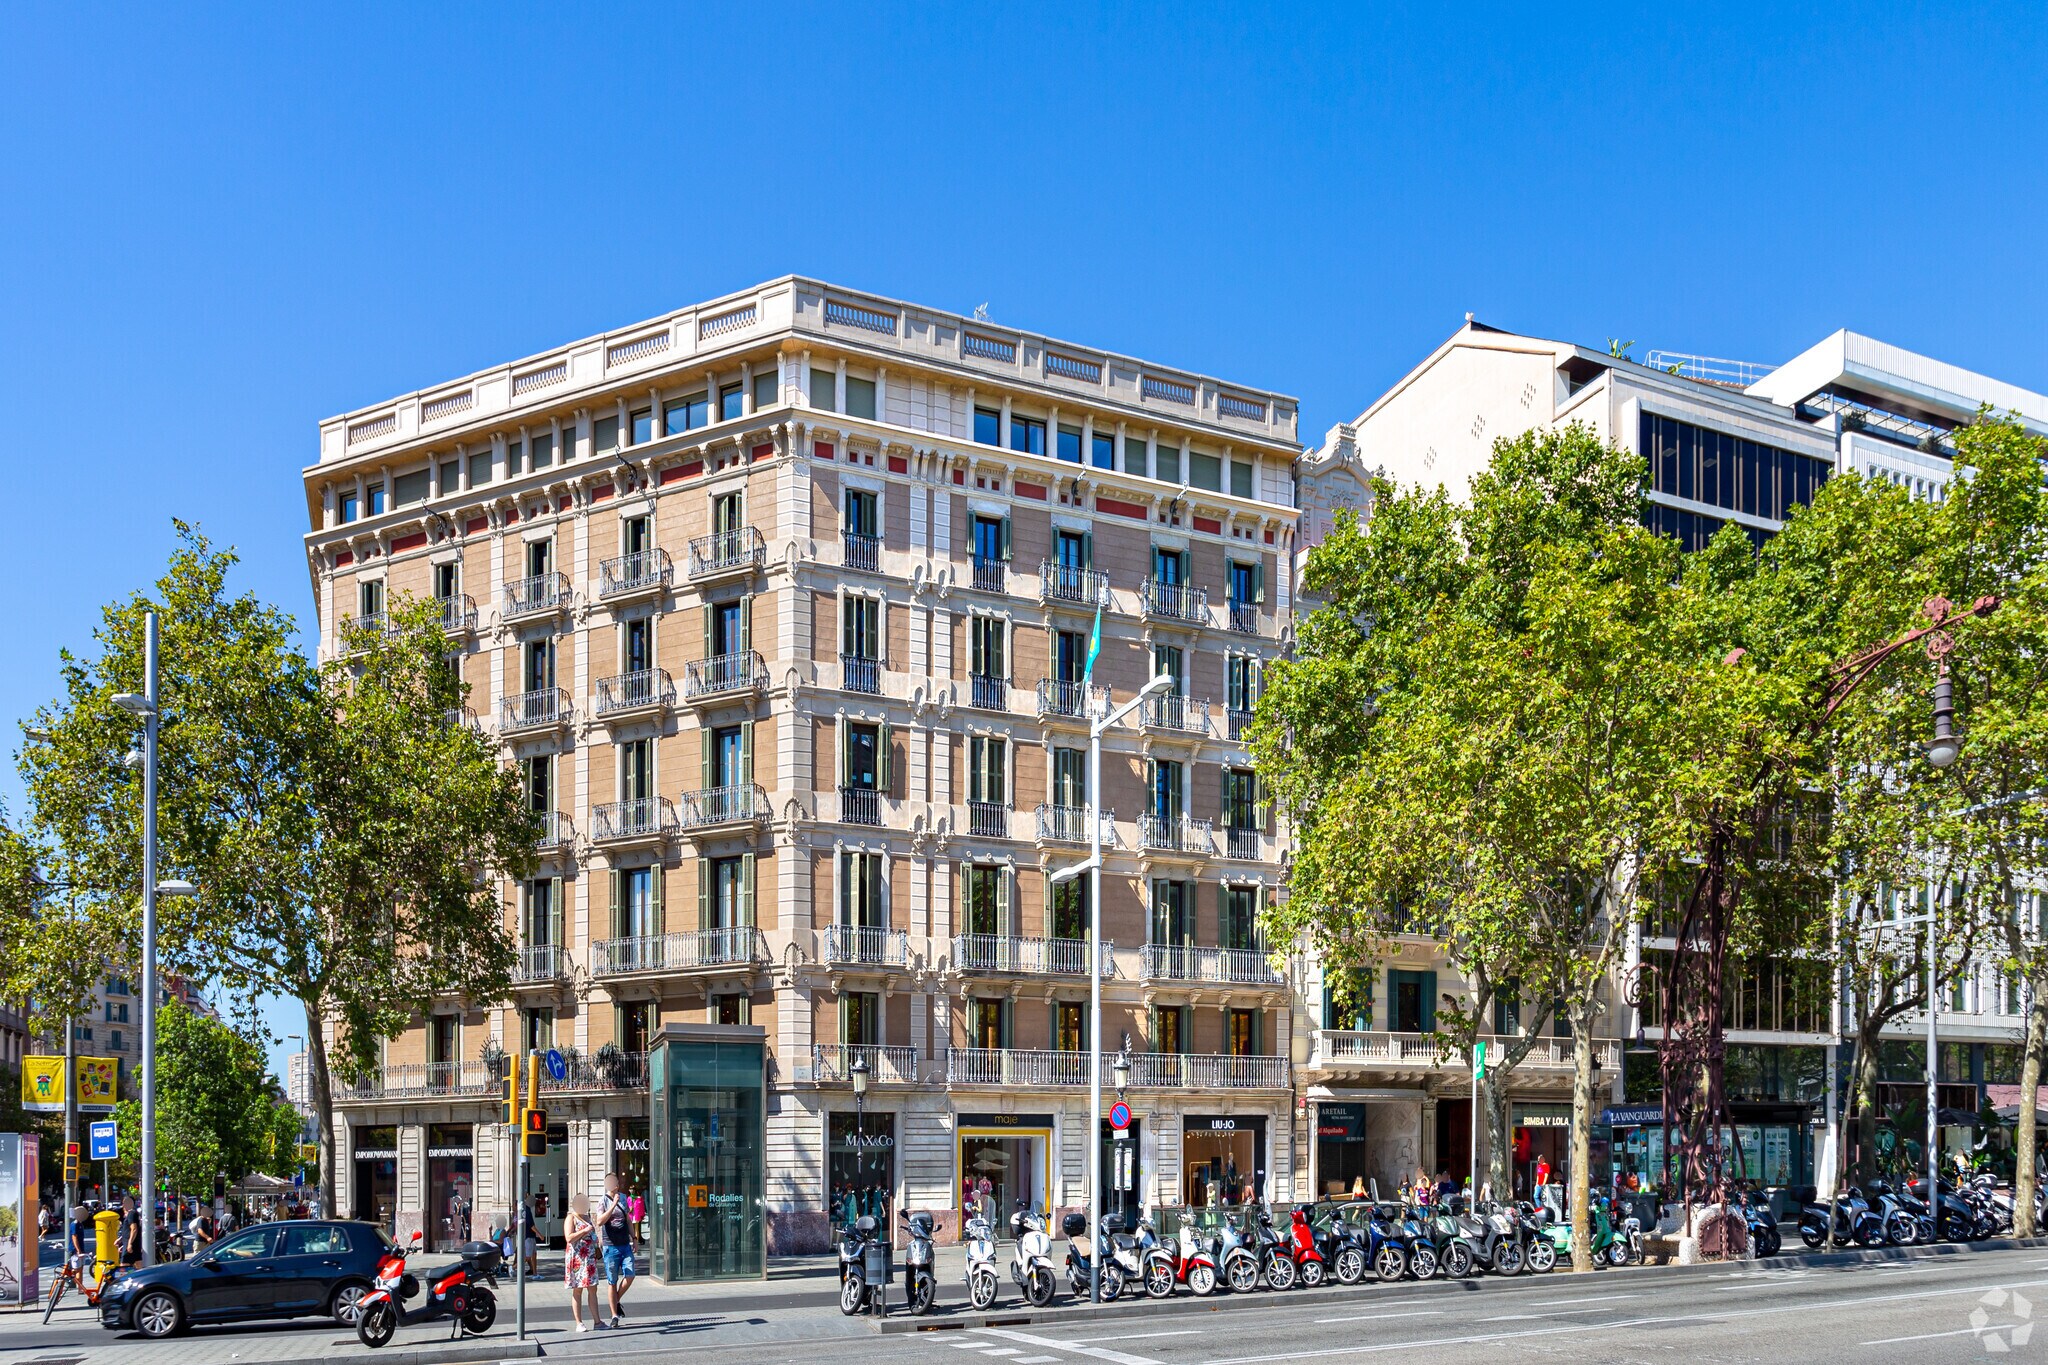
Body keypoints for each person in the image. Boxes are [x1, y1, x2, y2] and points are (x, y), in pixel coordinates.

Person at [597, 1172, 635, 1329]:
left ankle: (616, 1300)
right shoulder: (603, 1200)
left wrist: (634, 1238)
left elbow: (628, 1219)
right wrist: (613, 1205)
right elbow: (599, 1221)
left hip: (625, 1244)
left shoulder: (624, 1198)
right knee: (612, 1281)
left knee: (630, 1275)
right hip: (610, 1246)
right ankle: (614, 1315)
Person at [562, 1193, 600, 1332]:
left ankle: (597, 1321)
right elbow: (569, 1238)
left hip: (589, 1258)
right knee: (578, 1289)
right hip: (577, 1258)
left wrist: (596, 1244)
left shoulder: (587, 1217)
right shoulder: (571, 1218)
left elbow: (592, 1235)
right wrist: (584, 1231)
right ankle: (579, 1323)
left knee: (592, 1288)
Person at [118, 1194, 143, 1268]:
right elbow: (128, 1230)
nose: (123, 1205)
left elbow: (134, 1229)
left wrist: (129, 1243)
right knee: (137, 1266)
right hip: (133, 1244)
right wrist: (120, 1239)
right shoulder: (132, 1213)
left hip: (131, 1245)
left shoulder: (131, 1214)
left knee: (123, 1267)